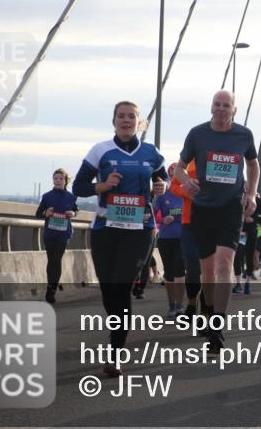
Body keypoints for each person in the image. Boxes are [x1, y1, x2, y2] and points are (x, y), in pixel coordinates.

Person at [74, 101, 167, 377]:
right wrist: (102, 186)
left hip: (139, 230)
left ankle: (115, 353)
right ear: (113, 121)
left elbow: (163, 181)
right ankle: (117, 335)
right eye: (121, 116)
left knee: (122, 286)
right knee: (109, 291)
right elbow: (79, 186)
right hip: (105, 229)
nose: (126, 121)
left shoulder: (151, 153)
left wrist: (160, 186)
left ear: (139, 123)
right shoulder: (100, 150)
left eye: (131, 117)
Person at [173, 90, 260, 354]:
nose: (221, 109)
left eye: (226, 106)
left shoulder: (244, 135)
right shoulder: (197, 134)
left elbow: (253, 165)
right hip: (202, 209)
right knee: (206, 272)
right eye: (217, 105)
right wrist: (187, 182)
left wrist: (251, 194)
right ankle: (209, 312)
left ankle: (217, 327)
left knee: (225, 263)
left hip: (230, 207)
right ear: (211, 108)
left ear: (234, 109)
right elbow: (178, 168)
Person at [36, 168, 78, 304]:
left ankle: (52, 290)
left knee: (56, 260)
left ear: (65, 181)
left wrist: (73, 213)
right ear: (53, 180)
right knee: (51, 260)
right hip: (50, 233)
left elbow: (76, 210)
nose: (58, 181)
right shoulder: (47, 196)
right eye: (55, 178)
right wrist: (45, 213)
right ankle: (50, 285)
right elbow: (38, 213)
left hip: (63, 234)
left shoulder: (71, 197)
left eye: (61, 179)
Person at [169, 160, 203, 317]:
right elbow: (173, 186)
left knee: (210, 269)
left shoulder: (221, 155)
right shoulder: (189, 163)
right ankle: (191, 303)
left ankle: (207, 309)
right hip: (189, 222)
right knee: (192, 266)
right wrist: (186, 193)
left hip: (214, 222)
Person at [153, 164, 186, 317]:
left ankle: (180, 305)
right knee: (169, 273)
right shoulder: (162, 195)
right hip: (166, 238)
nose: (175, 179)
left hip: (183, 238)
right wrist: (163, 219)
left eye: (178, 176)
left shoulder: (187, 193)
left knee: (180, 272)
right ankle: (171, 305)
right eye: (172, 176)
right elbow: (151, 214)